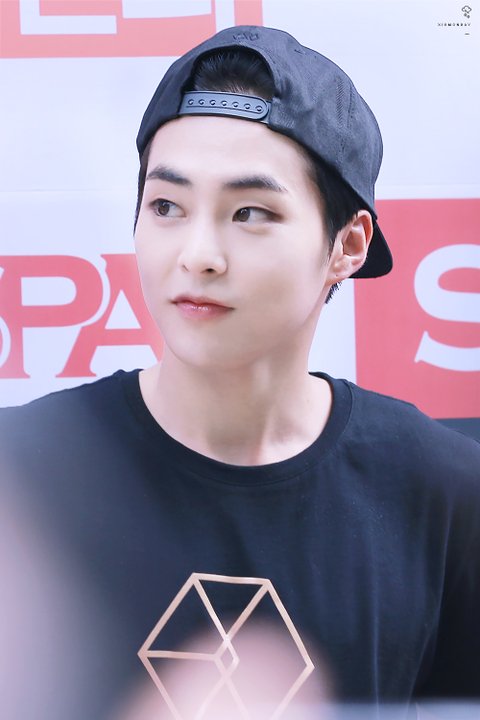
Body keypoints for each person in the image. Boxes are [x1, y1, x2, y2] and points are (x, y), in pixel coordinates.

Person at [1, 25, 479, 720]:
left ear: (347, 244)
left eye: (250, 212)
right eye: (167, 206)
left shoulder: (443, 492)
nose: (198, 254)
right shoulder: (21, 474)